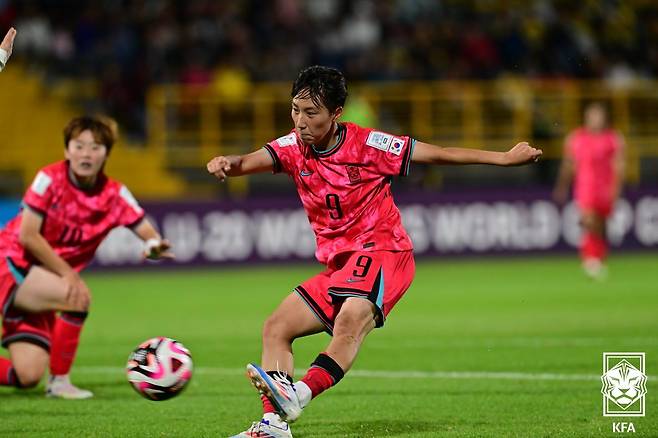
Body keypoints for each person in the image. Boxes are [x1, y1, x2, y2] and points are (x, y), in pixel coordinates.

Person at [207, 66, 541, 438]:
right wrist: (227, 163)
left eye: (311, 113)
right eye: (295, 110)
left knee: (350, 321)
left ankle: (297, 394)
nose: (300, 122)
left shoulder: (368, 146)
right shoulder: (292, 148)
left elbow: (438, 154)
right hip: (341, 265)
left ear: (336, 114)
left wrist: (504, 158)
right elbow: (245, 162)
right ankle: (273, 425)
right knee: (276, 327)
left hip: (384, 251)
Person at [0, 115, 173, 399]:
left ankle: (49, 379)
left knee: (26, 374)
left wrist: (153, 245)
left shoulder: (115, 194)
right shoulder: (49, 179)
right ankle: (59, 383)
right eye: (79, 146)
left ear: (106, 153)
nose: (86, 154)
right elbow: (28, 235)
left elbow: (147, 231)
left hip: (41, 280)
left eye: (95, 147)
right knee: (76, 297)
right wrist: (68, 274)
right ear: (67, 150)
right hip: (10, 261)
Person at [554, 101, 625, 279]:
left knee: (600, 224)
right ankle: (590, 258)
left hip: (605, 187)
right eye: (592, 116)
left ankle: (598, 256)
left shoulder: (613, 138)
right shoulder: (576, 138)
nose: (595, 119)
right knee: (588, 219)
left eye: (598, 115)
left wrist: (616, 188)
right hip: (585, 186)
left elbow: (619, 165)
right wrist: (562, 187)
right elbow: (568, 165)